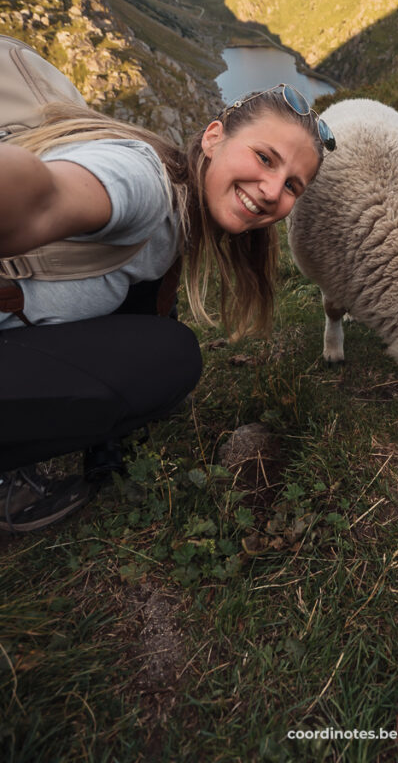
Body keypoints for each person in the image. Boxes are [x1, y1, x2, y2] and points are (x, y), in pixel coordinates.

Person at [0, 84, 335, 533]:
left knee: (159, 315)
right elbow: (44, 195)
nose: (274, 191)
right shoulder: (143, 182)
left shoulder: (178, 204)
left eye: (293, 185)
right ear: (214, 137)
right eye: (264, 157)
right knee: (173, 357)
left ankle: (101, 435)